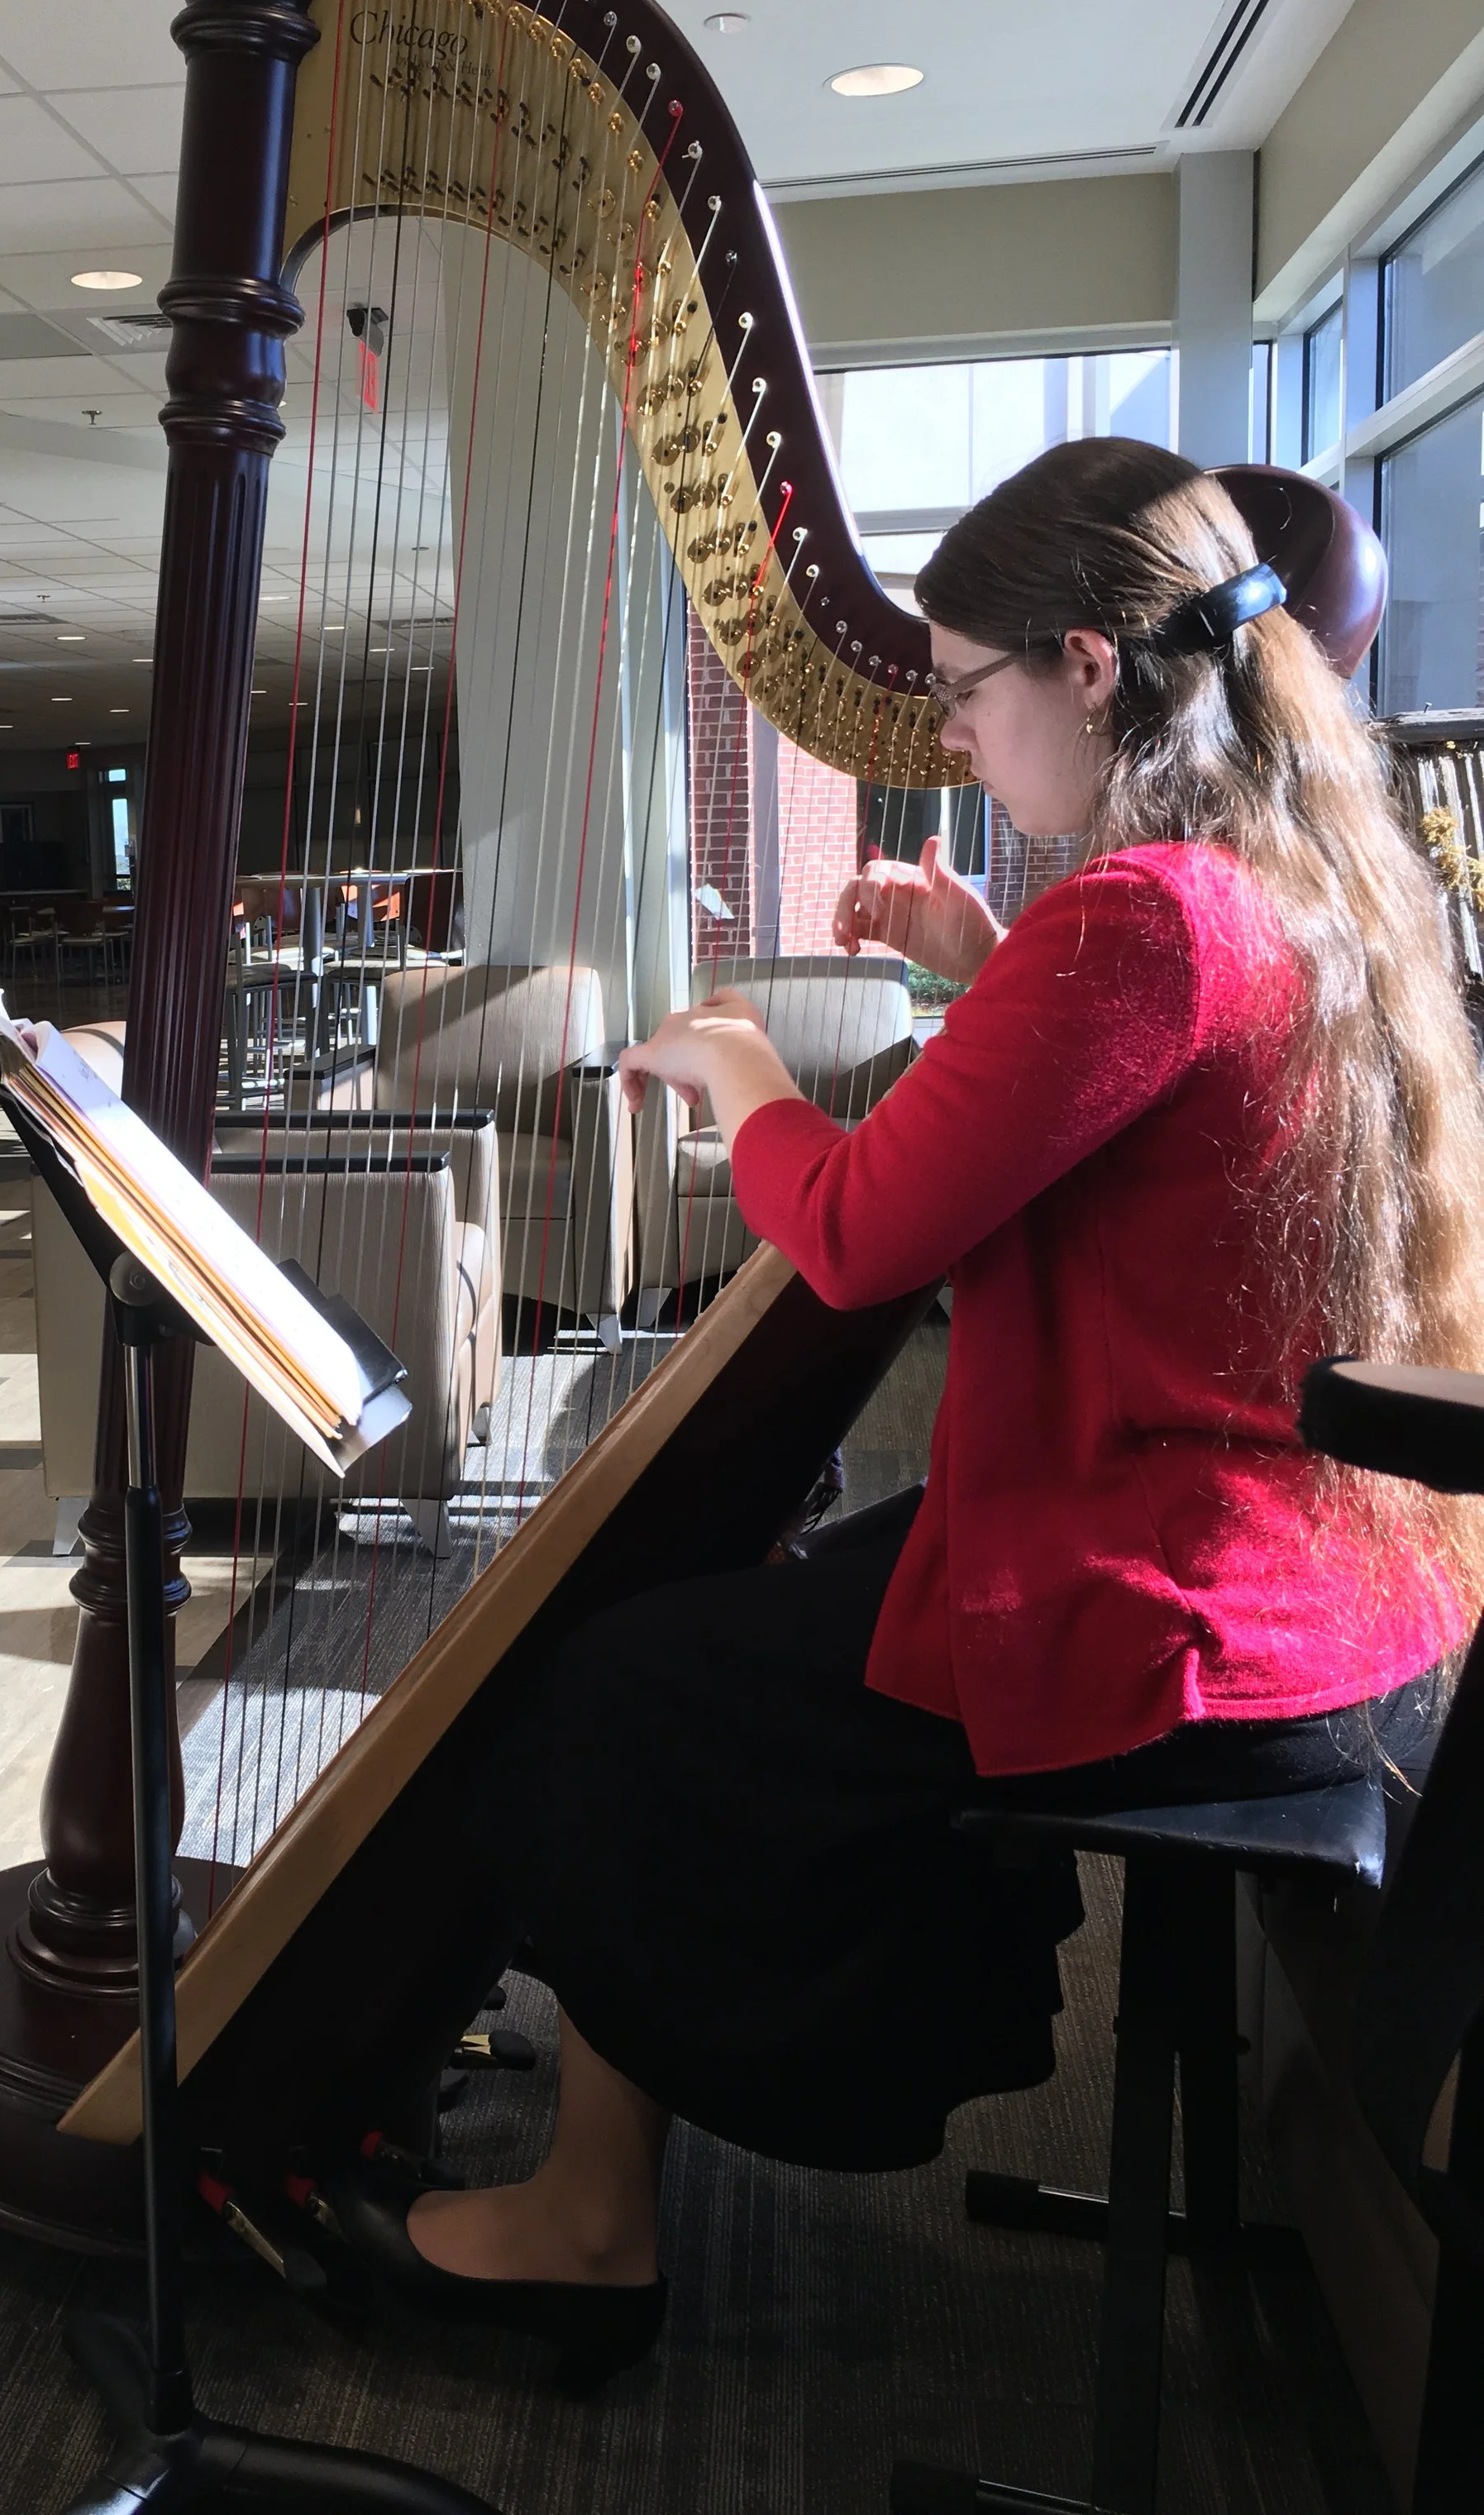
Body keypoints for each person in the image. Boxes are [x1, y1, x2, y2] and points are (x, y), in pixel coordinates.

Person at [332, 439, 1484, 2389]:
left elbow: (859, 1231)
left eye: (960, 690)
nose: (954, 737)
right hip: (1333, 1584)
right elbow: (1148, 1107)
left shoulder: (1141, 920)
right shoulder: (1299, 888)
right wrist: (978, 959)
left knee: (624, 1685)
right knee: (771, 1595)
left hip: (1170, 1611)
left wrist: (733, 1074)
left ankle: (593, 2224)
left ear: (1086, 669)